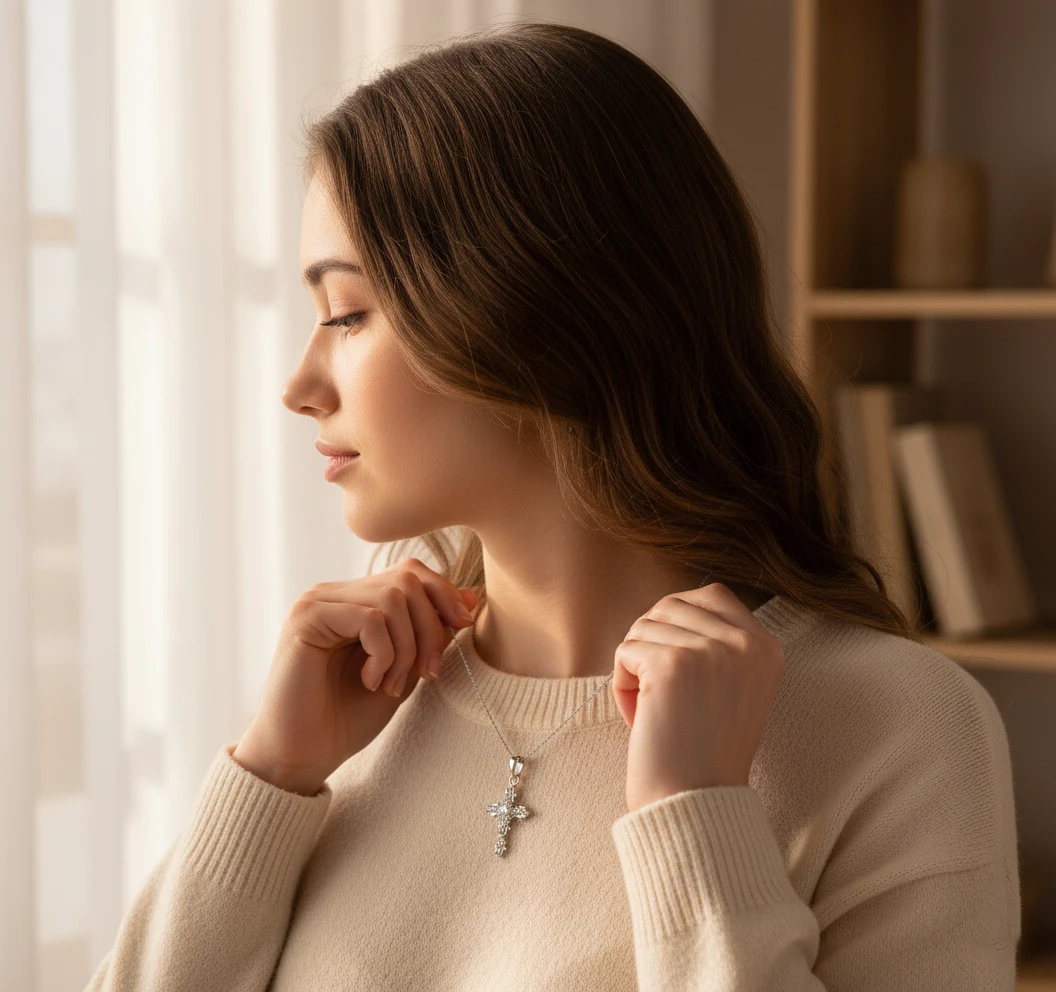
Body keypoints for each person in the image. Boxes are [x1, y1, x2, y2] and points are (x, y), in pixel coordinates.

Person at [85, 20, 1020, 991]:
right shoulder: (362, 693)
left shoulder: (894, 724)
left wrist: (696, 816)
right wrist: (269, 777)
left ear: (532, 312)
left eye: (348, 314)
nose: (299, 383)